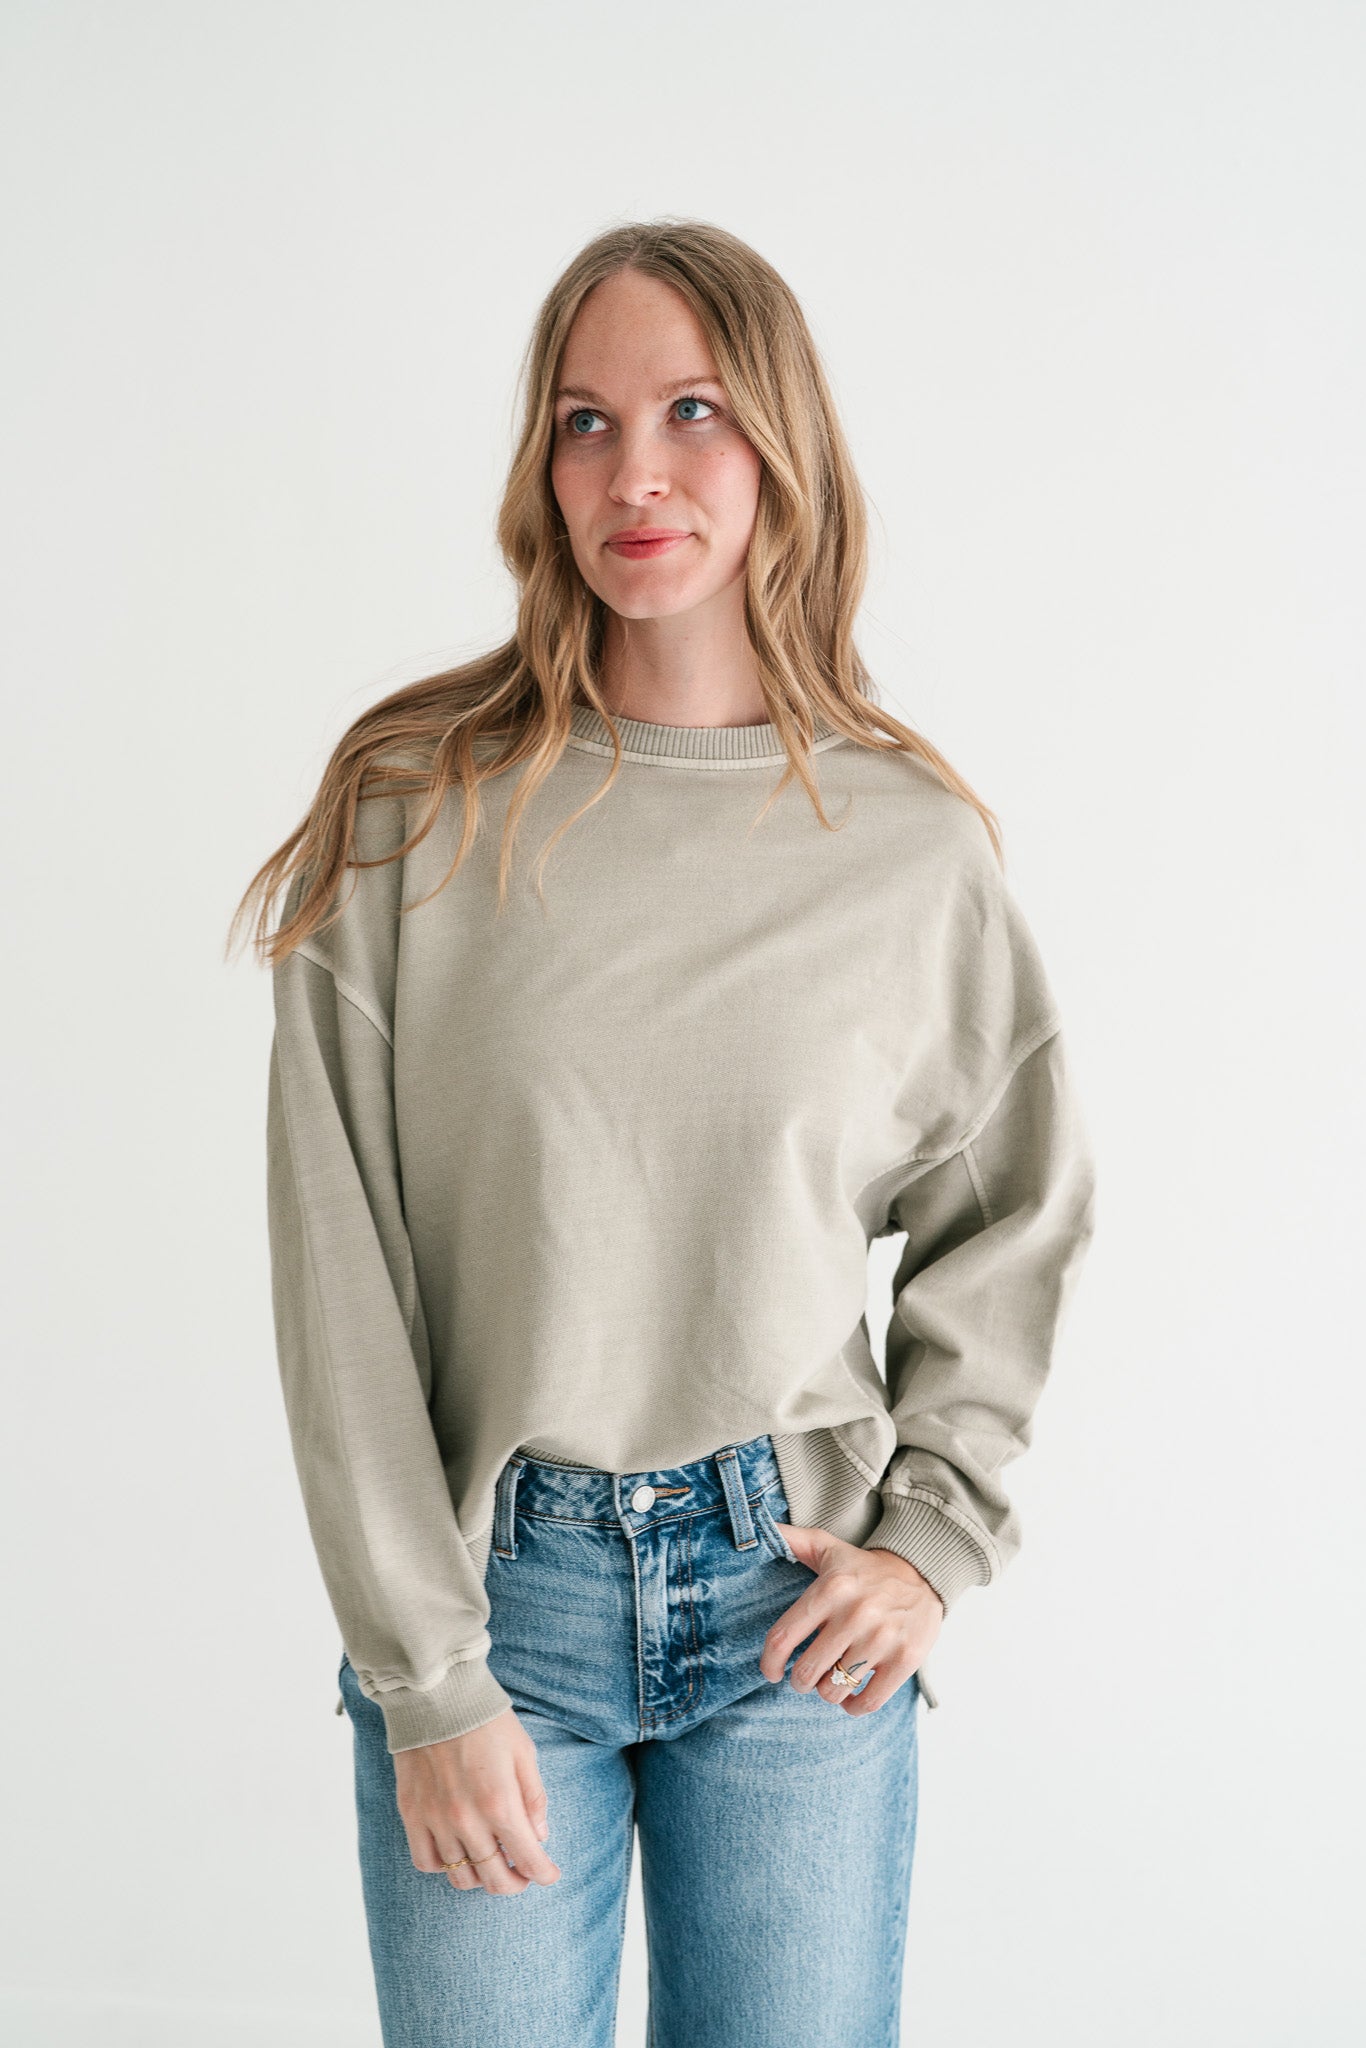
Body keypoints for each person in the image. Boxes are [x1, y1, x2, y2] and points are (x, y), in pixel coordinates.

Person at [232, 218, 1097, 2048]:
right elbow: (338, 1276)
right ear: (539, 466)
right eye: (585, 421)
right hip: (495, 1606)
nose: (635, 472)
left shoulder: (906, 847)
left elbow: (1012, 1214)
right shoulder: (415, 817)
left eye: (692, 411)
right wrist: (425, 1677)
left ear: (781, 440)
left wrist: (929, 1540)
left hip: (794, 1606)